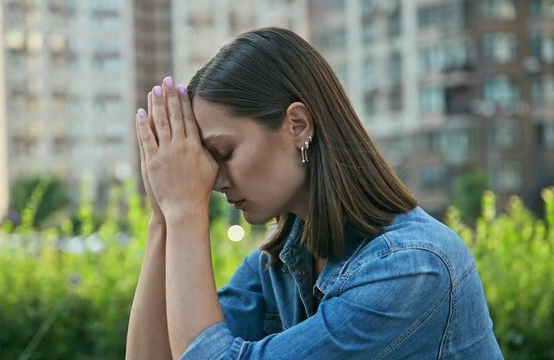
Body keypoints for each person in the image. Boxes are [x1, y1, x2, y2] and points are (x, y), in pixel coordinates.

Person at [125, 27, 503, 359]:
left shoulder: (411, 269)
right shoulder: (282, 262)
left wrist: (185, 211)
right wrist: (163, 216)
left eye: (223, 153)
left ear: (298, 125)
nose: (213, 180)